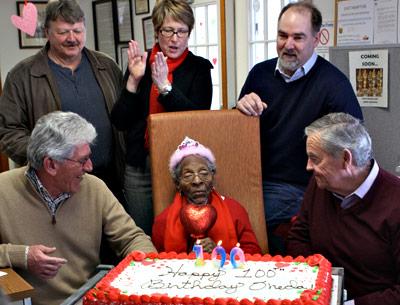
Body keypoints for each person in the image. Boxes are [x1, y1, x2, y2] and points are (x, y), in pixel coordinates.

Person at [236, 1, 363, 254]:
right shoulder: (259, 74)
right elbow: (237, 133)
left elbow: (354, 147)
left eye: (298, 37)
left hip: (302, 185)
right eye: (283, 36)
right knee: (213, 203)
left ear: (316, 40)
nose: (288, 44)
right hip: (253, 177)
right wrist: (239, 108)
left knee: (235, 216)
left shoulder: (334, 85)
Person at [0, 111, 156, 305]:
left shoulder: (94, 187)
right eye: (82, 160)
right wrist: (21, 256)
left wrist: (147, 265)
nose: (90, 166)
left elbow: (132, 238)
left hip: (87, 299)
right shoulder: (3, 189)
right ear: (51, 165)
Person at [0, 0, 125, 199]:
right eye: (63, 32)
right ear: (47, 32)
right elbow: (8, 131)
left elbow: (125, 115)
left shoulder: (107, 66)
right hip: (55, 186)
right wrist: (48, 158)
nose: (72, 38)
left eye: (78, 31)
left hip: (111, 182)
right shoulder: (21, 75)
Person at [111, 0, 213, 236]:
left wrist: (166, 88)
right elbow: (119, 121)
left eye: (181, 31)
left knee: (179, 234)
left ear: (189, 33)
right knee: (143, 234)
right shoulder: (140, 65)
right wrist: (133, 82)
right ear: (157, 32)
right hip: (140, 165)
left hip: (183, 165)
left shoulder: (199, 68)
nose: (175, 38)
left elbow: (197, 120)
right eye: (168, 31)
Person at [287, 112, 400, 305]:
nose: (308, 167)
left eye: (315, 159)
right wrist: (320, 282)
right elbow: (298, 237)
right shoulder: (321, 183)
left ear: (346, 159)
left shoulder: (395, 203)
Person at [152, 137, 261, 254]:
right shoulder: (164, 221)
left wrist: (219, 252)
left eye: (204, 173)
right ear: (178, 183)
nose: (197, 181)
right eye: (188, 175)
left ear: (212, 177)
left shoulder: (234, 210)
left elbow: (254, 255)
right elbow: (158, 262)